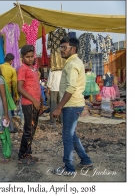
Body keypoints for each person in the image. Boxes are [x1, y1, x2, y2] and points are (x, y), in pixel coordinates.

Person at [52, 36, 93, 176]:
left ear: (73, 49)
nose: (61, 50)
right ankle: (85, 160)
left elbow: (70, 88)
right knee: (71, 134)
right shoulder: (74, 62)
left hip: (71, 105)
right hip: (73, 104)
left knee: (67, 136)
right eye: (61, 47)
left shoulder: (72, 64)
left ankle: (68, 168)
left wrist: (58, 107)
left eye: (64, 47)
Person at [17, 44, 42, 165]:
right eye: (27, 57)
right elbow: (20, 88)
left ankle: (28, 152)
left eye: (32, 56)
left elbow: (37, 86)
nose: (30, 59)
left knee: (32, 130)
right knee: (28, 130)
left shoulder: (33, 68)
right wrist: (34, 101)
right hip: (28, 104)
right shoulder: (23, 69)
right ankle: (22, 155)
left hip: (35, 103)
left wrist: (40, 100)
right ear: (22, 57)